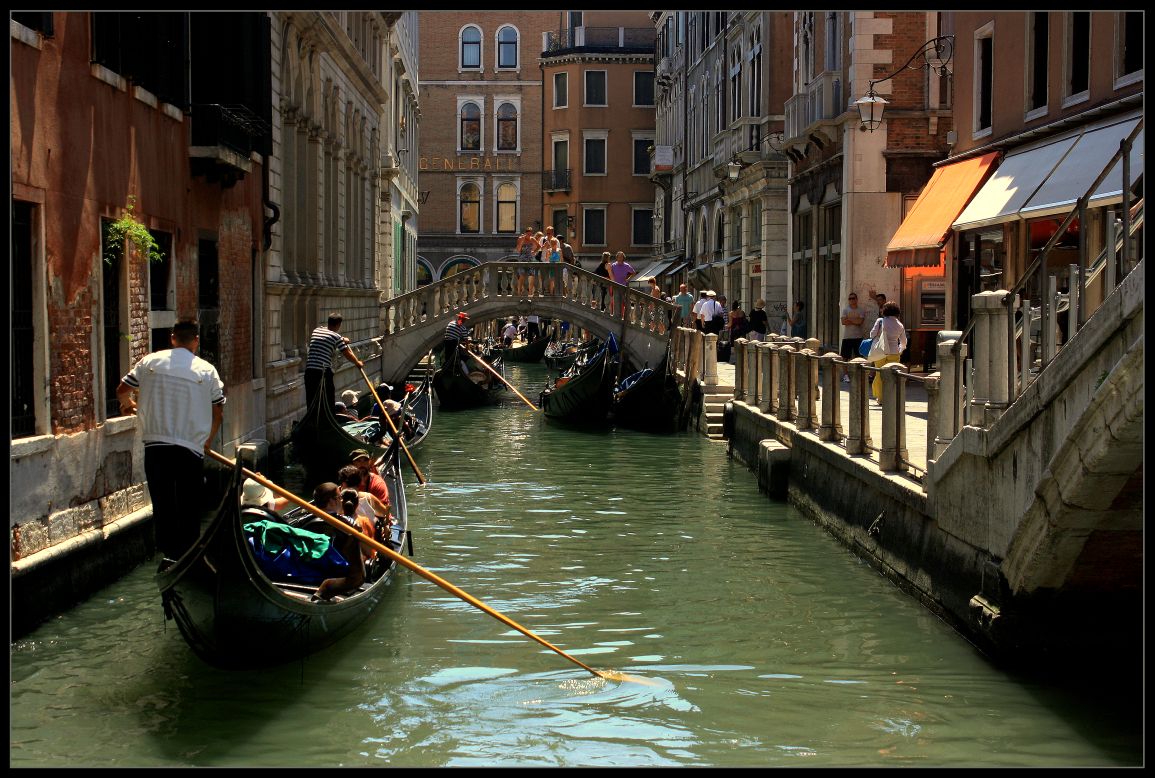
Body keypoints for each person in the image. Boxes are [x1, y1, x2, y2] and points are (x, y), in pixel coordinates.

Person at [116, 319, 226, 561]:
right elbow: (218, 410)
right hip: (190, 449)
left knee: (163, 505)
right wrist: (208, 440)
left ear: (173, 338)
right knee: (189, 506)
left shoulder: (150, 361)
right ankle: (188, 557)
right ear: (196, 341)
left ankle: (169, 555)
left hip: (156, 447)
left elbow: (122, 390)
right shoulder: (207, 370)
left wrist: (130, 406)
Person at [312, 482, 365, 601]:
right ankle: (330, 586)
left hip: (314, 566)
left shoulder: (306, 519)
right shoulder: (347, 524)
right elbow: (366, 549)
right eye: (340, 497)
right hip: (339, 570)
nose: (342, 501)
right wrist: (357, 534)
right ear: (331, 501)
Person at [305, 313, 362, 414]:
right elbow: (347, 353)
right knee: (329, 398)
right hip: (322, 372)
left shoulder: (317, 330)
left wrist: (342, 339)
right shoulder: (336, 337)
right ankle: (329, 419)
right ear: (338, 325)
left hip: (309, 371)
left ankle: (313, 422)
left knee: (311, 399)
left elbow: (329, 337)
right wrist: (357, 362)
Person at [336, 464, 393, 563]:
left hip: (342, 545)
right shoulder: (368, 497)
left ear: (343, 484)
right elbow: (385, 513)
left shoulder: (336, 501)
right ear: (360, 483)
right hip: (368, 544)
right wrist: (385, 526)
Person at [868, 301, 908, 402]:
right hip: (894, 353)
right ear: (897, 312)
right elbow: (903, 341)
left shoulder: (880, 321)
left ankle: (880, 398)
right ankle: (890, 397)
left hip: (881, 352)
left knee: (879, 374)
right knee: (892, 375)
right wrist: (900, 350)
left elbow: (872, 335)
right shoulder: (900, 325)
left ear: (884, 311)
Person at [839, 292, 867, 382]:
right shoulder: (845, 310)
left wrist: (849, 319)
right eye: (850, 298)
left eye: (853, 298)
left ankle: (858, 374)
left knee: (859, 356)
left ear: (856, 299)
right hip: (847, 336)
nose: (852, 300)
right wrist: (855, 319)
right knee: (845, 356)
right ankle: (846, 375)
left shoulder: (861, 310)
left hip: (858, 336)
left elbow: (860, 322)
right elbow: (843, 322)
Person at [514, 226, 537, 296]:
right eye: (528, 234)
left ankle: (530, 292)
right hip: (522, 258)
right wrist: (522, 241)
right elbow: (518, 250)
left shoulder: (532, 239)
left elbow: (539, 246)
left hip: (530, 259)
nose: (529, 235)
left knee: (531, 275)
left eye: (530, 234)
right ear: (525, 233)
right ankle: (519, 292)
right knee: (522, 275)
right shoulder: (521, 238)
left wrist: (534, 251)